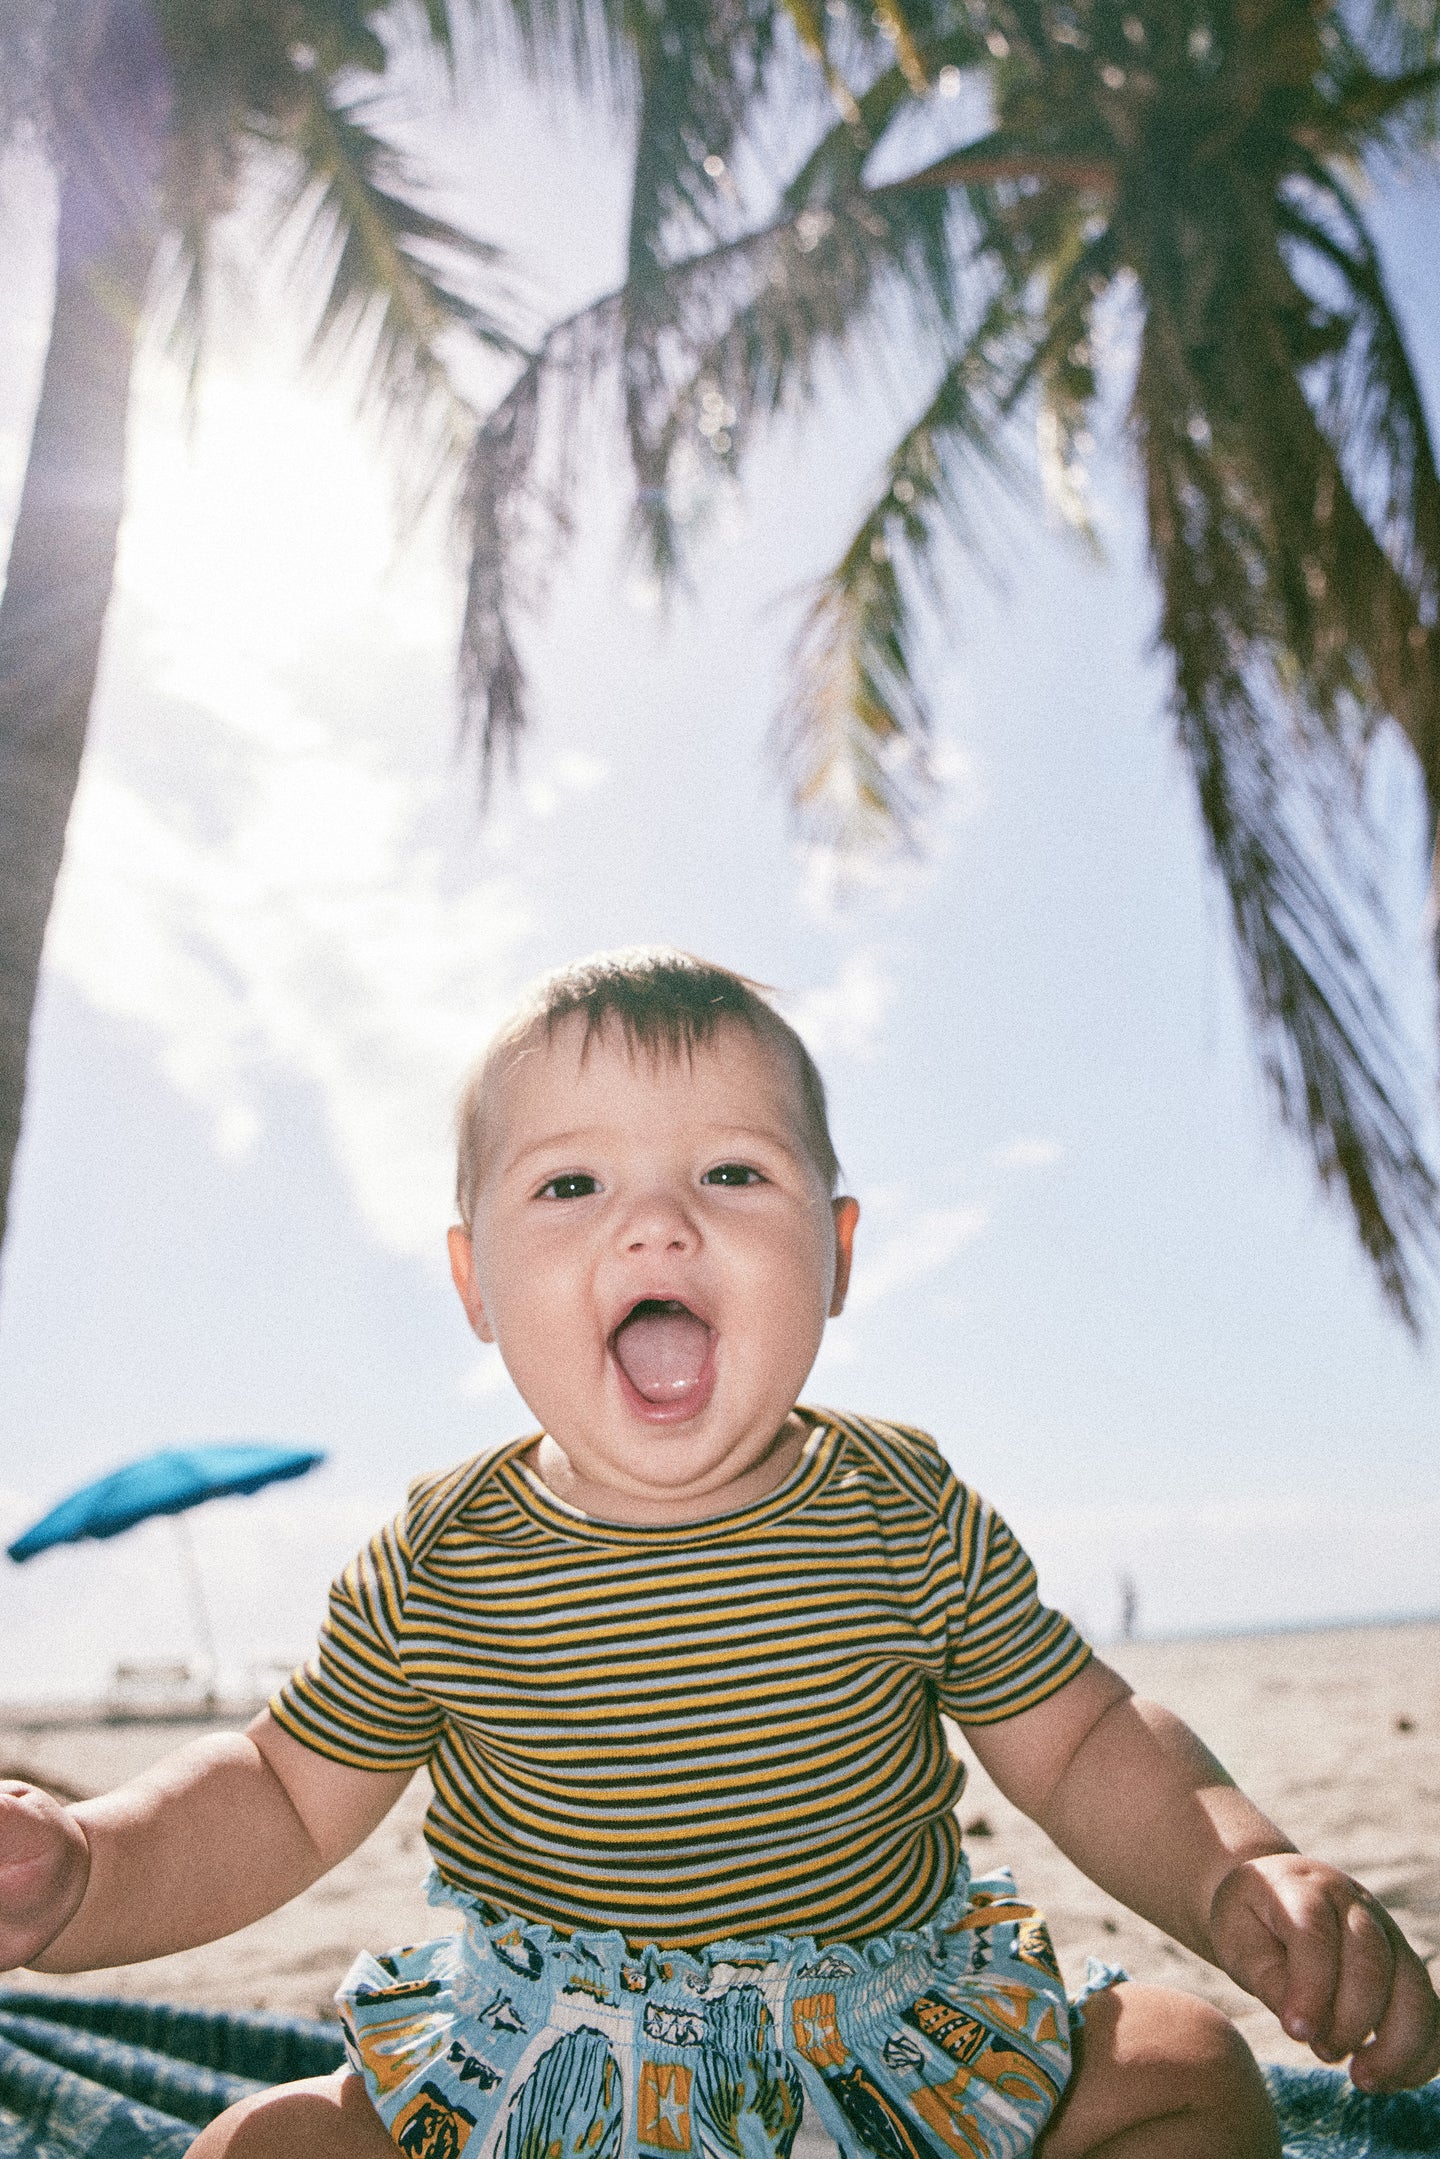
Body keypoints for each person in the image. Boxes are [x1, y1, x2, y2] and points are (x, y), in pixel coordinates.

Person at [2, 949, 1437, 2159]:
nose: (656, 1219)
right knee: (262, 2148)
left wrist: (1243, 1868)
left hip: (891, 2052)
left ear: (838, 1252)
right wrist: (85, 1869)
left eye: (733, 1171)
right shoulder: (443, 1560)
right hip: (540, 2082)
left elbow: (1081, 1741)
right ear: (474, 1286)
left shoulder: (899, 1508)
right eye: (570, 1187)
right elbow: (276, 1797)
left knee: (1188, 2069)